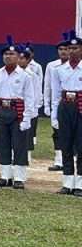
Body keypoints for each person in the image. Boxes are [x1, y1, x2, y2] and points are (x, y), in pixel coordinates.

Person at [0, 39, 35, 190]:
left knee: (19, 145)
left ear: (18, 56)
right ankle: (5, 176)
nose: (8, 56)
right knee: (3, 144)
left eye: (12, 54)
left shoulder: (25, 75)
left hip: (18, 112)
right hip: (2, 110)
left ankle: (19, 178)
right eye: (6, 54)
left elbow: (29, 98)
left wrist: (27, 118)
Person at [48, 33, 82, 195]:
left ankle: (80, 184)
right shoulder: (59, 69)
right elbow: (55, 94)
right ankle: (67, 182)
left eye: (75, 48)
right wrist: (54, 116)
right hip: (65, 107)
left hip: (80, 107)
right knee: (66, 145)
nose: (71, 51)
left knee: (81, 146)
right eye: (69, 48)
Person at [45, 34, 69, 172]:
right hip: (58, 104)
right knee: (58, 133)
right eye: (60, 49)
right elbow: (48, 86)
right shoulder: (52, 66)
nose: (63, 51)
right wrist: (47, 105)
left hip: (74, 104)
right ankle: (59, 161)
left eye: (65, 49)